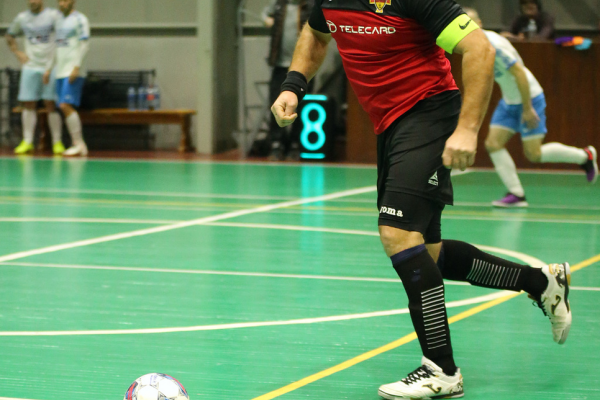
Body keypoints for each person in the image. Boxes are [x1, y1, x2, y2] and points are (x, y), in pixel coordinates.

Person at [271, 1, 572, 399]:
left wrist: (467, 129)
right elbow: (315, 32)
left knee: (397, 233)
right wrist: (293, 85)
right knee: (427, 253)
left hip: (428, 112)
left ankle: (442, 370)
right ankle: (540, 281)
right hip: (389, 124)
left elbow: (479, 47)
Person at [465, 8, 598, 208]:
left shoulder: (493, 44)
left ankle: (584, 156)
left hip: (529, 98)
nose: (467, 27)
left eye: (470, 22)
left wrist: (527, 108)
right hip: (509, 100)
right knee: (493, 144)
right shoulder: (475, 44)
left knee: (534, 154)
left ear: (480, 23)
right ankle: (516, 194)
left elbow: (519, 73)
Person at [6, 0, 64, 155]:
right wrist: (17, 52)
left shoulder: (53, 15)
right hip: (30, 67)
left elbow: (61, 40)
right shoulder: (22, 18)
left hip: (50, 67)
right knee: (28, 103)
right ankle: (27, 141)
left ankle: (57, 142)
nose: (32, 1)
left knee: (50, 103)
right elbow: (9, 35)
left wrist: (51, 66)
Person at [262, 0, 314, 161]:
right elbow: (264, 14)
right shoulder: (279, 4)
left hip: (303, 67)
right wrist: (267, 20)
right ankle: (276, 144)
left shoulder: (311, 5)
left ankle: (295, 144)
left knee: (302, 105)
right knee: (276, 103)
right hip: (280, 65)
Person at [44, 0, 90, 157]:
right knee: (62, 106)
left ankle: (79, 144)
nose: (62, 3)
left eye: (65, 0)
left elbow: (84, 45)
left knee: (65, 105)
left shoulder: (80, 19)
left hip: (73, 71)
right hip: (60, 72)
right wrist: (49, 68)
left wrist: (76, 67)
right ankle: (77, 144)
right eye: (60, 1)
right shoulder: (58, 21)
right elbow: (55, 48)